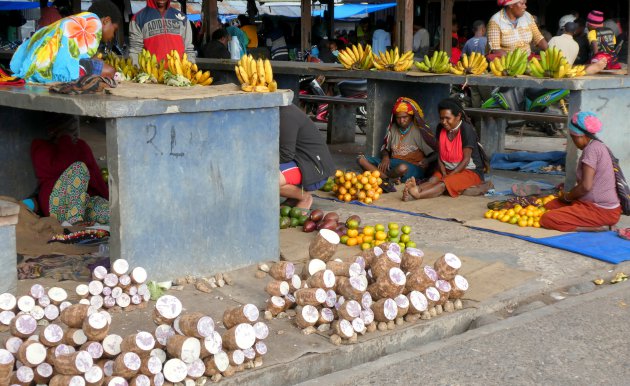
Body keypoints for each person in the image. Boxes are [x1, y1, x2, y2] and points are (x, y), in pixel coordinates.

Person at [540, 112, 621, 232]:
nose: (574, 142)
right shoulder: (597, 145)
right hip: (590, 203)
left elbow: (585, 187)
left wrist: (567, 197)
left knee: (548, 219)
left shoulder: (591, 150)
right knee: (550, 205)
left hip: (602, 210)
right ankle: (584, 218)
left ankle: (595, 228)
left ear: (581, 136)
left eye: (573, 138)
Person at [10, 0, 121, 84]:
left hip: (37, 66)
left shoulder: (81, 18)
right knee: (109, 71)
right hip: (52, 71)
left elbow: (79, 53)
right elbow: (74, 58)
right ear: (106, 21)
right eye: (114, 30)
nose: (113, 36)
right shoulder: (94, 23)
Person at [31, 114, 109, 225]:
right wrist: (65, 139)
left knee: (110, 213)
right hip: (58, 207)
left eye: (74, 127)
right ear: (52, 131)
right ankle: (74, 224)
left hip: (83, 205)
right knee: (79, 168)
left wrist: (105, 197)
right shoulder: (40, 147)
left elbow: (96, 176)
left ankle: (83, 223)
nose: (74, 131)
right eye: (69, 128)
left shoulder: (81, 146)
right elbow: (63, 165)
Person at [402, 98, 485, 201]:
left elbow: (466, 160)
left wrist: (450, 175)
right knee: (433, 180)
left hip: (469, 171)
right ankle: (415, 189)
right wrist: (443, 172)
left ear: (458, 116)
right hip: (447, 169)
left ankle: (417, 195)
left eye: (447, 118)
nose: (444, 122)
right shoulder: (440, 128)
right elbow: (440, 154)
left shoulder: (466, 129)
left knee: (444, 183)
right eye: (441, 118)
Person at [358, 97, 437, 183]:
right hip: (392, 163)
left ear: (411, 116)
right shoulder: (392, 129)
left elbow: (436, 153)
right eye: (398, 118)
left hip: (413, 167)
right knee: (361, 159)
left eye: (405, 117)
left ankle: (383, 177)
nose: (401, 120)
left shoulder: (419, 131)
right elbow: (385, 149)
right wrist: (385, 157)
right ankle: (389, 178)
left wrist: (427, 160)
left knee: (402, 167)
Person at [279, 104, 335, 210]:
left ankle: (304, 197)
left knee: (266, 180)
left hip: (313, 167)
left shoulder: (286, 114)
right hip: (299, 160)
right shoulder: (279, 112)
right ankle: (294, 196)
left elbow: (285, 155)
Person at [128, 0, 197, 65]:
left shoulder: (182, 18)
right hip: (152, 73)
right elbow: (136, 50)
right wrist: (136, 70)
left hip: (179, 72)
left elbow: (188, 48)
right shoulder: (138, 18)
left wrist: (190, 66)